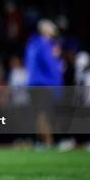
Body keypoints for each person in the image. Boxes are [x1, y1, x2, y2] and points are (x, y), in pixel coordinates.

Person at [25, 19, 63, 147]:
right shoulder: (45, 44)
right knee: (45, 114)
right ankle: (48, 142)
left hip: (33, 83)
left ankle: (40, 142)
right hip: (44, 83)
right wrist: (55, 57)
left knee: (39, 114)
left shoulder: (32, 44)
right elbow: (50, 66)